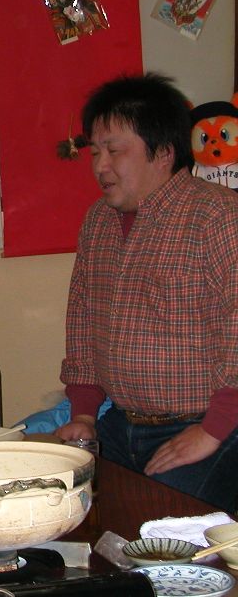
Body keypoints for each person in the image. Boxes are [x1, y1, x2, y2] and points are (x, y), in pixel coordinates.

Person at [56, 73, 238, 511]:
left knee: (156, 527)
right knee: (64, 507)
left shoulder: (218, 216)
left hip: (213, 427)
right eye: (95, 152)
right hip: (122, 425)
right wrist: (84, 415)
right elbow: (82, 319)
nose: (100, 166)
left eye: (114, 150)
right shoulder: (98, 221)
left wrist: (212, 430)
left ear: (163, 151)